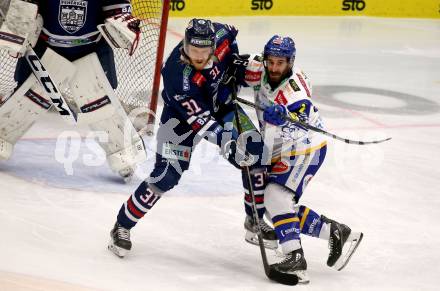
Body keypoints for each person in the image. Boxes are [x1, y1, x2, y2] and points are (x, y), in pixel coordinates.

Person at [108, 18, 278, 258]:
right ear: (185, 45)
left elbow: (232, 43)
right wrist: (227, 142)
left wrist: (234, 70)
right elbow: (202, 121)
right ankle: (122, 225)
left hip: (222, 106)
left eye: (203, 51)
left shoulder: (223, 35)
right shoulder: (177, 75)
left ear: (212, 46)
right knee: (166, 176)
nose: (198, 56)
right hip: (180, 121)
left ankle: (254, 220)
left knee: (257, 153)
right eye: (192, 50)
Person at [243, 35, 363, 283]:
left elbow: (303, 110)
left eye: (281, 63)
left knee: (276, 198)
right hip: (280, 146)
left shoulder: (294, 91)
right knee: (280, 207)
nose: (275, 68)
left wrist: (284, 115)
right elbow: (242, 67)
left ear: (290, 62)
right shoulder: (260, 67)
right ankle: (335, 232)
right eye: (271, 62)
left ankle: (295, 257)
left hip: (304, 148)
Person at [0, 0, 146, 180]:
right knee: (29, 98)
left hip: (92, 48)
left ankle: (124, 154)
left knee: (100, 104)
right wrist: (18, 23)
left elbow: (118, 11)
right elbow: (23, 4)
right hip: (46, 45)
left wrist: (125, 25)